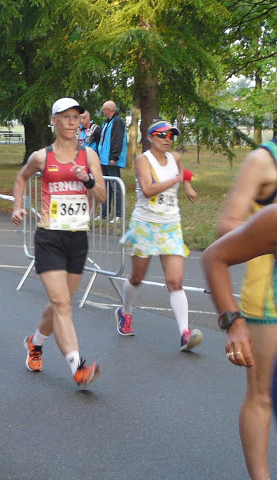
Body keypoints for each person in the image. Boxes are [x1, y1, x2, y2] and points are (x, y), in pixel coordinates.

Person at [11, 97, 106, 389]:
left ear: (81, 121)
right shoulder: (42, 156)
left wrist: (88, 180)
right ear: (54, 121)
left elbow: (102, 197)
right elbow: (21, 177)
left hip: (77, 238)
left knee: (59, 305)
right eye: (64, 117)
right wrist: (18, 206)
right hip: (49, 237)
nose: (70, 123)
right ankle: (78, 366)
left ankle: (35, 341)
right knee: (62, 304)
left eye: (75, 117)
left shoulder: (88, 155)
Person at [211, 135, 277, 480]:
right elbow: (227, 226)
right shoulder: (264, 160)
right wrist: (263, 232)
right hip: (269, 297)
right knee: (261, 395)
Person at [115, 119, 202, 350]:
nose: (167, 139)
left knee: (175, 281)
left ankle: (184, 333)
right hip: (145, 224)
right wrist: (175, 180)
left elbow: (182, 170)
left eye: (171, 135)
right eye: (162, 135)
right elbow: (148, 189)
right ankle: (125, 312)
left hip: (171, 224)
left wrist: (186, 185)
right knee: (137, 277)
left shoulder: (175, 158)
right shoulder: (143, 160)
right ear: (150, 137)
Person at [97, 100, 126, 221]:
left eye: (104, 109)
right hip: (103, 160)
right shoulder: (107, 122)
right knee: (105, 186)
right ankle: (104, 213)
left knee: (115, 187)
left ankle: (118, 214)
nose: (103, 112)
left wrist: (113, 157)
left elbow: (117, 139)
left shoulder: (117, 121)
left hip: (111, 160)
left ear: (110, 110)